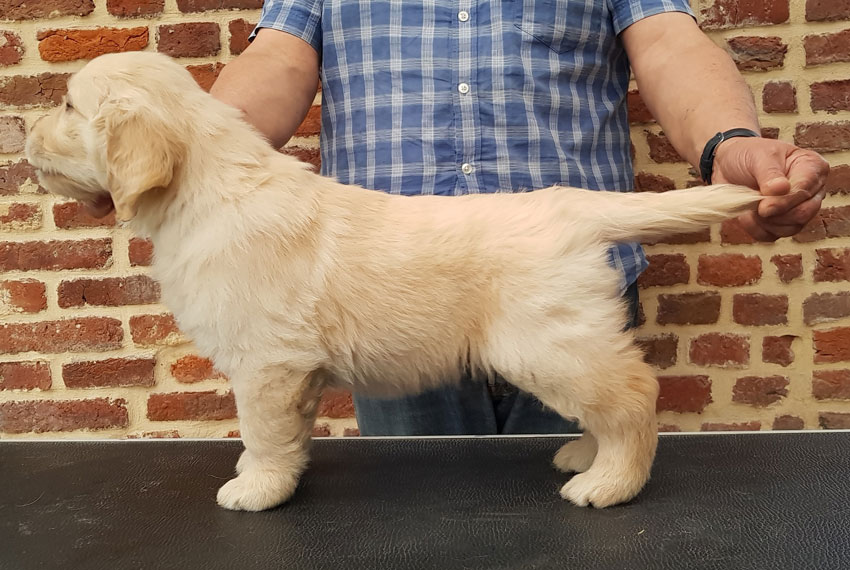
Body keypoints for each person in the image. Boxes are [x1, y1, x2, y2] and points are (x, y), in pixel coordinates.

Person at [210, 0, 828, 436]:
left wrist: (727, 143)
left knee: (584, 533)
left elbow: (668, 42)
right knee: (418, 530)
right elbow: (279, 59)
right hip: (389, 298)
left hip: (559, 278)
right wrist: (187, 157)